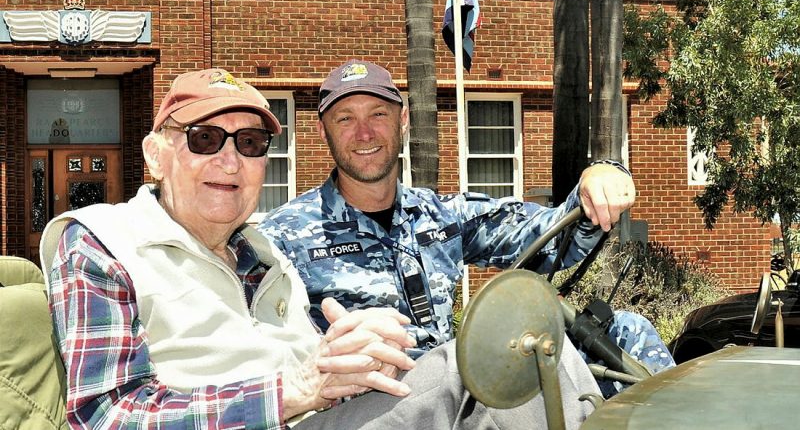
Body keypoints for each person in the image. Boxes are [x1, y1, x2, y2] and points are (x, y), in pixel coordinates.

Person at [41, 68, 601, 429]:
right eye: (205, 139)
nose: (230, 160)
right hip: (286, 416)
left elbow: (542, 233)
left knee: (540, 354)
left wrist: (344, 355)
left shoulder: (260, 256)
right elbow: (104, 413)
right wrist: (296, 390)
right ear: (156, 155)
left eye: (252, 143)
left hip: (323, 415)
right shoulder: (100, 241)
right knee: (472, 369)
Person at [258, 59, 675, 377]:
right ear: (322, 131)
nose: (364, 133)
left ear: (402, 121)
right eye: (345, 119)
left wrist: (599, 177)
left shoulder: (439, 215)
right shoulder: (282, 237)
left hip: (458, 384)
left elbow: (549, 240)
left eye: (378, 115)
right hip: (375, 401)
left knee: (626, 332)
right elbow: (257, 348)